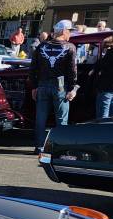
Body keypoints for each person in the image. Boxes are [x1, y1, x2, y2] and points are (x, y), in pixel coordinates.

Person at [29, 20, 78, 153]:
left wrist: (34, 87)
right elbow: (72, 71)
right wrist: (72, 88)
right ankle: (60, 147)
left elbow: (33, 68)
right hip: (60, 86)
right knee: (61, 119)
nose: (71, 34)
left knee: (40, 118)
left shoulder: (42, 46)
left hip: (42, 85)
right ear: (63, 31)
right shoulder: (70, 47)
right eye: (70, 31)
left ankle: (39, 147)